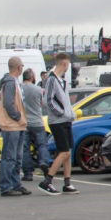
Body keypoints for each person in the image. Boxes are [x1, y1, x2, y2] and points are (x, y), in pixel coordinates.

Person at [40, 52, 78, 195]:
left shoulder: (61, 80)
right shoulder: (52, 80)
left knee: (68, 151)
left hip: (66, 120)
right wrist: (62, 113)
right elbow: (48, 100)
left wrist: (69, 113)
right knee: (64, 151)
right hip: (58, 121)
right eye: (68, 63)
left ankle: (67, 182)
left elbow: (64, 100)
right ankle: (47, 181)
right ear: (64, 64)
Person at [0, 58, 28, 195]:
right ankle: (6, 186)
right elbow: (8, 104)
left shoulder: (15, 82)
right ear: (19, 67)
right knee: (9, 157)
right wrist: (18, 117)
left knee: (17, 157)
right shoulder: (10, 83)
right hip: (12, 125)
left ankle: (16, 183)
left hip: (18, 125)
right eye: (22, 66)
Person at [20, 68, 50, 183]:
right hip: (38, 122)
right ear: (32, 77)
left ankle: (28, 173)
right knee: (42, 145)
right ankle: (44, 162)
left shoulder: (20, 89)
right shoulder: (37, 89)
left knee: (25, 148)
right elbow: (42, 104)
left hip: (25, 123)